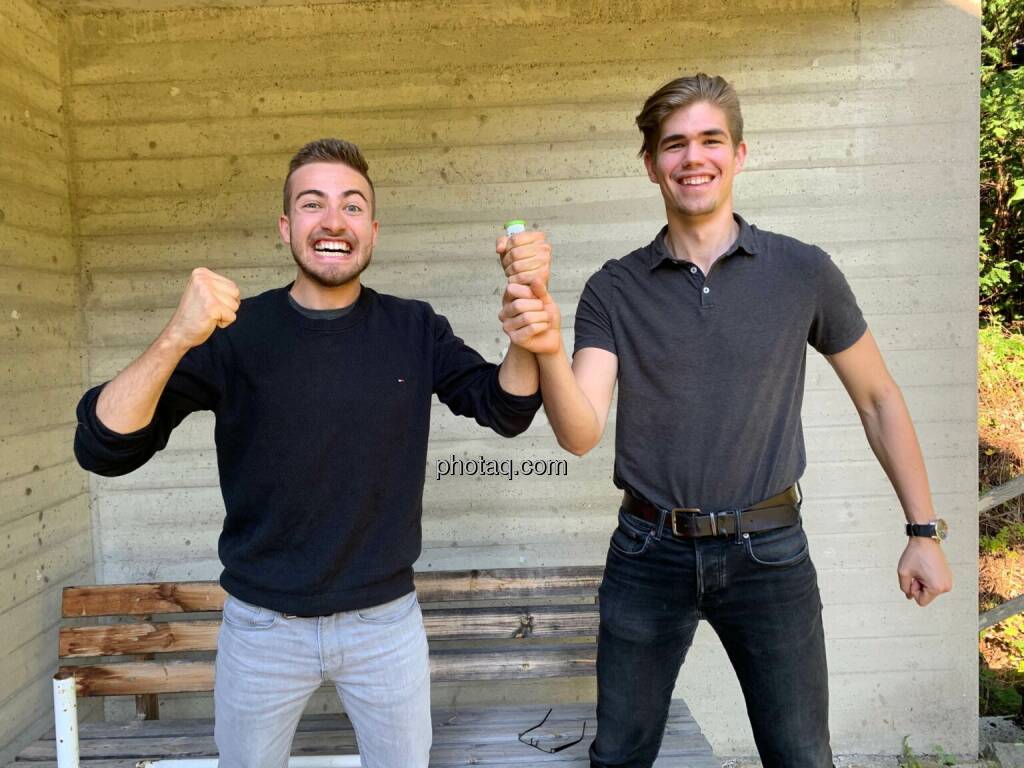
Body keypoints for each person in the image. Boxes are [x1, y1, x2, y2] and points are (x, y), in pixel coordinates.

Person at [495, 74, 954, 768]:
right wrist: (548, 346)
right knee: (619, 755)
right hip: (648, 553)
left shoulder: (802, 272)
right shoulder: (614, 288)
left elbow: (878, 398)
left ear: (739, 154)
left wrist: (922, 531)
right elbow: (580, 431)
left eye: (711, 139)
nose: (693, 157)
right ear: (651, 164)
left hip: (770, 551)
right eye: (674, 144)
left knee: (801, 756)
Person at [73, 138, 549, 768]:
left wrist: (527, 323)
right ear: (286, 226)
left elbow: (506, 408)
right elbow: (104, 447)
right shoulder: (235, 335)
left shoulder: (414, 328)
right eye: (312, 204)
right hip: (261, 629)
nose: (333, 221)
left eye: (352, 206)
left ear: (372, 230)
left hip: (385, 626)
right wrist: (177, 336)